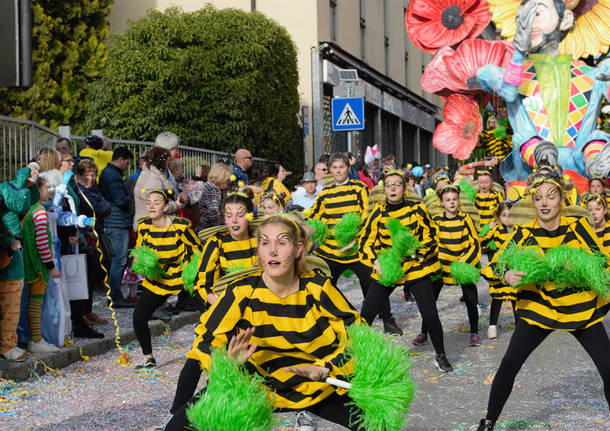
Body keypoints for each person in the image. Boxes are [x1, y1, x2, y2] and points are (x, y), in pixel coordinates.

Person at [166, 215, 365, 431]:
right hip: (253, 385)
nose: (272, 251)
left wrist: (324, 369)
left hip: (312, 386)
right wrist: (227, 362)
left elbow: (359, 337)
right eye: (265, 243)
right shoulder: (241, 291)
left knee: (375, 426)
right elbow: (206, 341)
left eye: (281, 242)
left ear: (298, 249)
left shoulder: (318, 288)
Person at [476, 171, 610, 431]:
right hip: (539, 308)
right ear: (532, 202)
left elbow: (603, 262)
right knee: (509, 363)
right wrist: (507, 273)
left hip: (579, 309)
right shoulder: (524, 233)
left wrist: (581, 267)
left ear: (562, 199)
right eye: (538, 198)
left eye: (551, 196)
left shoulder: (579, 228)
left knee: (608, 367)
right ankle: (488, 422)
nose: (545, 203)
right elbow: (495, 264)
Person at [476, 0, 610, 181]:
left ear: (566, 19)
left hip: (581, 172)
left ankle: (595, 160)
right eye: (521, 20)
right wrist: (519, 50)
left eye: (537, 14)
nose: (528, 24)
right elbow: (509, 91)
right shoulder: (504, 75)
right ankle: (544, 160)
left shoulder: (594, 75)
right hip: (531, 175)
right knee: (525, 140)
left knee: (595, 139)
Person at [358, 170, 453, 369]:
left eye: (397, 184)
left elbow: (431, 235)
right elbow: (365, 242)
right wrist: (375, 261)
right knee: (366, 314)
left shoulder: (417, 207)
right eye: (389, 184)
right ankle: (355, 356)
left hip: (415, 267)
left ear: (404, 188)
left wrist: (417, 254)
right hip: (389, 268)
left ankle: (441, 355)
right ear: (384, 189)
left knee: (430, 314)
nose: (393, 187)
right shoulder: (377, 212)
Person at [132, 189, 201, 369]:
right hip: (158, 281)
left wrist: (193, 276)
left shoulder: (180, 226)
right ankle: (149, 358)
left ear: (165, 207)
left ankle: (213, 351)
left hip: (181, 278)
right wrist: (140, 261)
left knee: (209, 312)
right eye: (149, 202)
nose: (152, 205)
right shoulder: (144, 227)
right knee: (139, 316)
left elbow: (197, 250)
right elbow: (140, 251)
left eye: (157, 202)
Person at [433, 185, 482, 347]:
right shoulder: (437, 220)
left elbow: (475, 244)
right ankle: (424, 332)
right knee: (430, 301)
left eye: (454, 199)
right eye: (447, 200)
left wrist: (464, 261)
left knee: (470, 299)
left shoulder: (465, 218)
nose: (452, 202)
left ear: (459, 201)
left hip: (462, 266)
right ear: (441, 203)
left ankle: (474, 331)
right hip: (442, 267)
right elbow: (433, 242)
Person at [71, 159, 112, 327]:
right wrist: (100, 206)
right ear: (79, 175)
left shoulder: (93, 189)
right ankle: (81, 313)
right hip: (85, 236)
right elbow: (99, 208)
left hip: (96, 234)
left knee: (93, 275)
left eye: (94, 174)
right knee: (85, 277)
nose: (91, 178)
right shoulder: (79, 190)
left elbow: (107, 206)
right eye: (87, 175)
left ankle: (87, 310)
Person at [23, 177, 61, 353]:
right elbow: (42, 243)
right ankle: (36, 339)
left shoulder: (27, 210)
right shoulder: (39, 212)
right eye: (46, 187)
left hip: (28, 262)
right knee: (36, 303)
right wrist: (51, 266)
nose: (49, 190)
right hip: (38, 266)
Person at [99, 147, 135, 308]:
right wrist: (133, 197)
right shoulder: (113, 176)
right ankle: (115, 295)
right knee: (119, 260)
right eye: (127, 162)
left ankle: (115, 294)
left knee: (119, 260)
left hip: (115, 220)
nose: (128, 166)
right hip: (116, 221)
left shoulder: (110, 173)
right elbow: (119, 200)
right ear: (120, 159)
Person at [480, 202, 517, 340]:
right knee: (497, 298)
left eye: (510, 215)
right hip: (499, 268)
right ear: (499, 216)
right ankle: (492, 326)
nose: (507, 218)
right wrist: (488, 229)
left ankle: (519, 327)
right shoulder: (496, 229)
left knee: (515, 297)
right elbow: (482, 242)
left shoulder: (517, 229)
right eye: (503, 215)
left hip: (514, 267)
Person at [134, 147, 186, 231]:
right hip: (151, 227)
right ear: (161, 161)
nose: (168, 165)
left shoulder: (151, 175)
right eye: (167, 162)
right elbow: (155, 206)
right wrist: (177, 204)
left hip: (150, 225)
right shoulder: (153, 178)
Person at [196, 163, 232, 231]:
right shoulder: (211, 190)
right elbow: (214, 215)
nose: (229, 182)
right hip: (207, 230)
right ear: (222, 178)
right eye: (228, 180)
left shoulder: (212, 187)